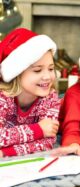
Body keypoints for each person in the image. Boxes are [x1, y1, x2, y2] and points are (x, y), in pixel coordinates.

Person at [0, 28, 60, 157]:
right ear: (17, 73)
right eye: (38, 70)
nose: (47, 76)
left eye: (51, 69)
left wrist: (5, 152)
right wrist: (39, 129)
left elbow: (48, 142)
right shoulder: (3, 98)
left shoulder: (50, 98)